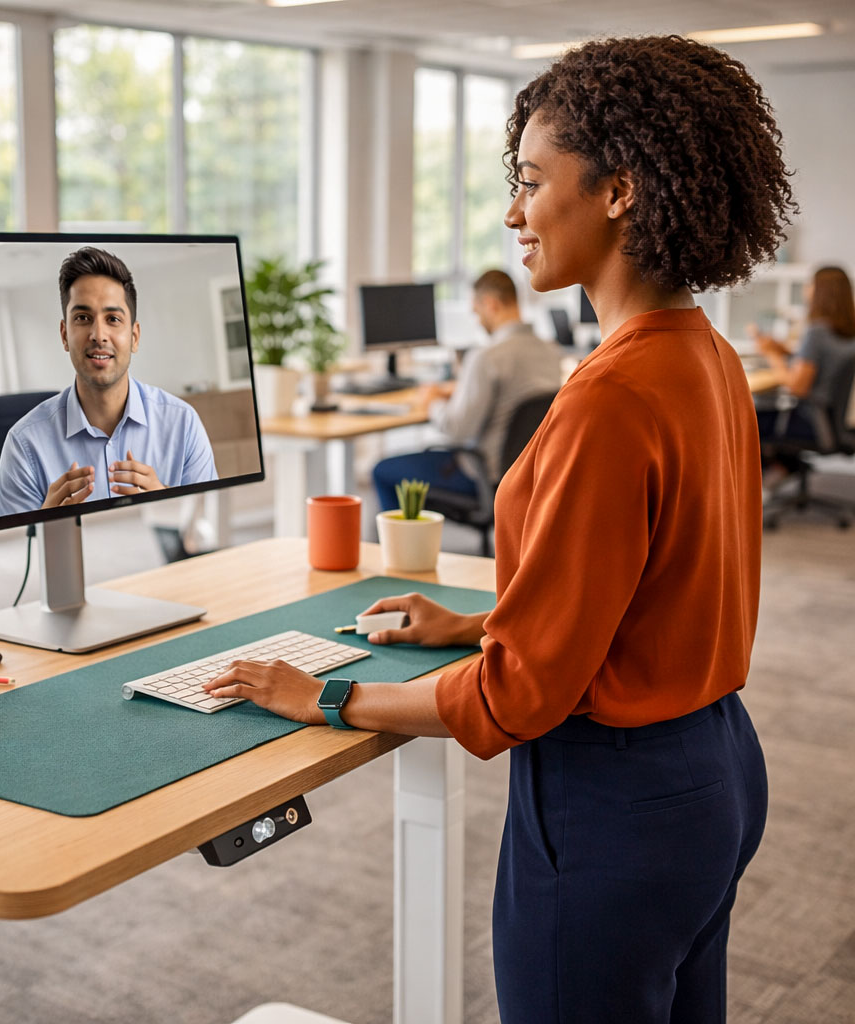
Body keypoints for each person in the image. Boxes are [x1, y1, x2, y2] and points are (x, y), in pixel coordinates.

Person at [204, 34, 794, 1023]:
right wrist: (480, 623)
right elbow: (662, 591)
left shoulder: (609, 398)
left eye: (529, 179)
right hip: (715, 772)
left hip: (616, 802)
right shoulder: (707, 356)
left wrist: (327, 699)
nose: (512, 211)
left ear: (618, 190)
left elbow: (521, 697)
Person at [0, 247, 217, 517]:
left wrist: (169, 505)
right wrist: (41, 526)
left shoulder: (183, 423)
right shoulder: (23, 445)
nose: (98, 334)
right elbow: (13, 553)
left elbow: (211, 533)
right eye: (83, 318)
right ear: (64, 335)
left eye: (113, 319)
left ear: (134, 337)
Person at [370, 269, 563, 511]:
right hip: (529, 475)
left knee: (382, 470)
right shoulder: (551, 350)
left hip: (482, 476)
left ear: (490, 304)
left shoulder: (486, 357)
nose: (477, 319)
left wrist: (431, 402)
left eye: (476, 311)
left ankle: (396, 548)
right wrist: (460, 390)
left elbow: (456, 430)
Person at [749, 265, 855, 477]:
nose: (806, 290)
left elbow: (797, 386)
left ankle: (779, 470)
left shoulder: (817, 332)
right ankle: (787, 467)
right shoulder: (848, 331)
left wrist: (772, 355)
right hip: (837, 423)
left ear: (820, 291)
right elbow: (824, 363)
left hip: (813, 423)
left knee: (748, 421)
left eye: (810, 285)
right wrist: (786, 351)